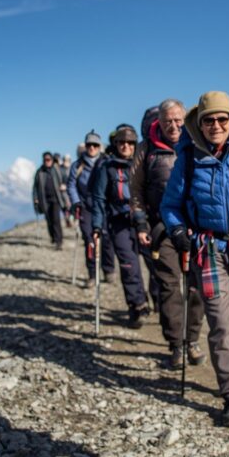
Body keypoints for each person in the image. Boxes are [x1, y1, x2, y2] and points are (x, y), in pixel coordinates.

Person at [161, 91, 229, 427]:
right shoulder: (187, 160)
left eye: (222, 119)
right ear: (199, 124)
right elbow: (170, 206)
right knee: (221, 324)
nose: (216, 125)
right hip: (208, 249)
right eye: (209, 120)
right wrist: (178, 233)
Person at [130, 98, 206, 369]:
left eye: (177, 120)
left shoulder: (198, 142)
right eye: (167, 121)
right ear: (158, 123)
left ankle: (192, 340)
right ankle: (176, 344)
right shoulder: (146, 149)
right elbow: (135, 190)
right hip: (162, 228)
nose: (173, 126)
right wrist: (141, 224)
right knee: (170, 287)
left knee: (196, 288)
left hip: (198, 228)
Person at [91, 126, 149, 328]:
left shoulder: (143, 163)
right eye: (122, 142)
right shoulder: (107, 168)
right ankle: (137, 306)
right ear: (115, 144)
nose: (126, 146)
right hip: (119, 223)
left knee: (156, 265)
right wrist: (97, 226)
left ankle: (158, 301)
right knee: (129, 265)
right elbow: (98, 199)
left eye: (130, 142)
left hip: (146, 221)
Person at [67, 131, 115, 288]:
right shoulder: (78, 165)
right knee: (90, 240)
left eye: (95, 145)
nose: (92, 148)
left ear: (99, 147)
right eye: (89, 145)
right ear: (85, 146)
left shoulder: (107, 162)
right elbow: (71, 185)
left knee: (106, 239)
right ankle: (92, 274)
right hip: (86, 207)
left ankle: (108, 270)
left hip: (105, 206)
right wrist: (76, 202)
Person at [32, 151, 68, 249]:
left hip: (56, 199)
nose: (47, 161)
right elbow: (35, 187)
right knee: (49, 220)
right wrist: (35, 198)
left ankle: (59, 241)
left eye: (49, 159)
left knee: (56, 220)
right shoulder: (40, 172)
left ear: (52, 160)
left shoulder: (57, 170)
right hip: (44, 200)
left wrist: (64, 186)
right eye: (45, 160)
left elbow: (66, 179)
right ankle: (53, 237)